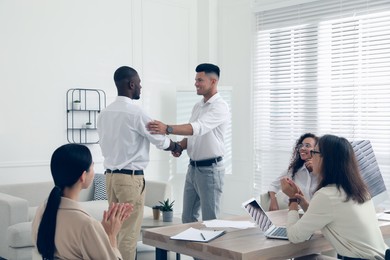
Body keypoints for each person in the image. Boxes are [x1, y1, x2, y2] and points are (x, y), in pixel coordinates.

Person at [97, 66, 182, 260]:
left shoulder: (104, 113)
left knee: (115, 232)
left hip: (109, 178)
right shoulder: (136, 113)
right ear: (131, 84)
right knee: (128, 235)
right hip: (129, 180)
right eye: (139, 84)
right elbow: (159, 140)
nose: (141, 87)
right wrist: (176, 146)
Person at [281, 134, 388, 259]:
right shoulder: (360, 190)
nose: (310, 157)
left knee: (305, 258)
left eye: (314, 152)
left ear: (326, 159)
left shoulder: (327, 195)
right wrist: (302, 202)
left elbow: (295, 236)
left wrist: (292, 199)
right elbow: (327, 215)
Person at [147, 63, 230, 223]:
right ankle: (184, 250)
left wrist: (167, 128)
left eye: (200, 80)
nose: (196, 84)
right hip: (193, 169)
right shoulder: (198, 106)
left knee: (211, 221)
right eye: (195, 80)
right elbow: (194, 136)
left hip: (210, 171)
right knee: (187, 218)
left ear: (213, 82)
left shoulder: (220, 107)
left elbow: (196, 129)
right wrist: (180, 146)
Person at [31, 144, 133, 260]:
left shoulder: (42, 210)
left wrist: (99, 233)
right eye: (92, 167)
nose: (94, 172)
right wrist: (111, 236)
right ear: (83, 176)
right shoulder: (87, 225)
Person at [268, 133, 319, 211]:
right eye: (301, 146)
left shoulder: (324, 172)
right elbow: (273, 185)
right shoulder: (294, 170)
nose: (302, 148)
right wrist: (273, 201)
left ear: (317, 150)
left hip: (317, 215)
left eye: (307, 145)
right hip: (296, 213)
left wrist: (316, 170)